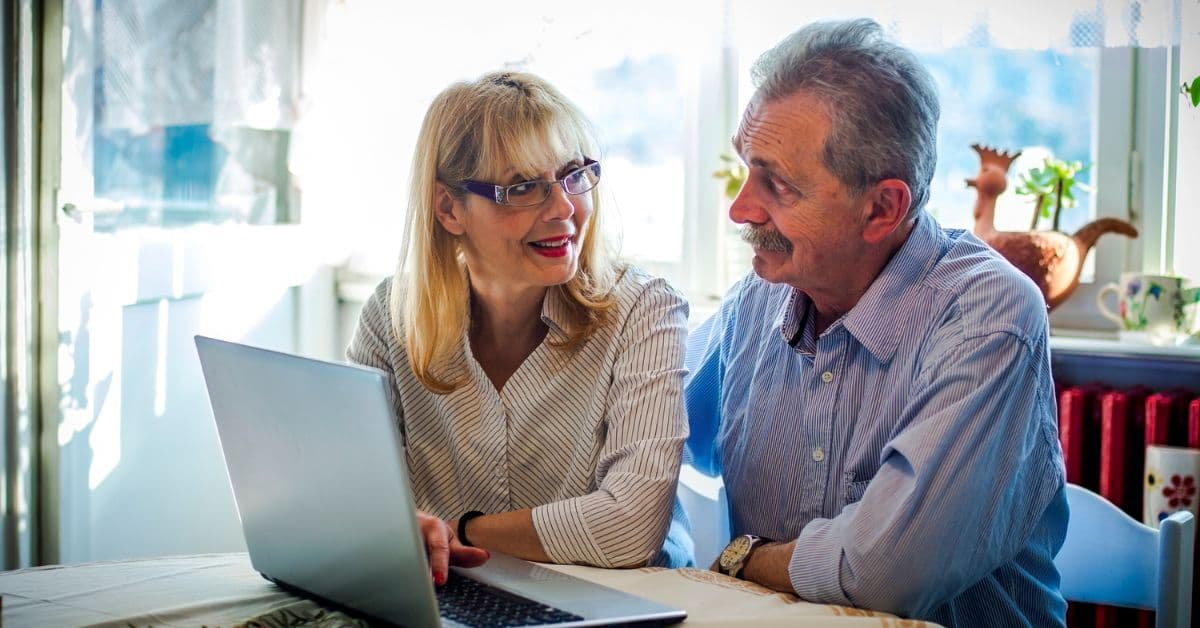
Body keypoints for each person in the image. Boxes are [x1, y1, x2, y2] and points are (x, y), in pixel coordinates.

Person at [685, 19, 1067, 627]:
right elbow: (641, 431)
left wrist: (741, 560)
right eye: (745, 169)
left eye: (777, 185)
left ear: (883, 208)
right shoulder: (758, 300)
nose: (740, 208)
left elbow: (885, 575)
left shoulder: (989, 315)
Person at [347, 71, 691, 586]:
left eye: (574, 175)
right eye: (523, 187)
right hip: (455, 595)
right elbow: (354, 498)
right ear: (448, 208)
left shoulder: (642, 310)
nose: (564, 210)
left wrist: (458, 530)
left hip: (618, 597)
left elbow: (629, 526)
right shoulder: (390, 316)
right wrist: (386, 525)